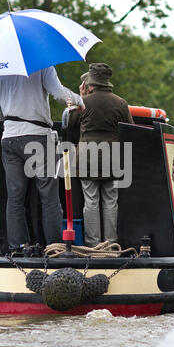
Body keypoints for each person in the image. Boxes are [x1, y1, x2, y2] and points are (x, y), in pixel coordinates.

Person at [0, 67, 84, 252]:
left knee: (15, 197)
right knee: (49, 196)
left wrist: (14, 119)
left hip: (9, 138)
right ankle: (54, 247)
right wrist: (80, 101)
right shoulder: (43, 65)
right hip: (38, 137)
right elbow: (59, 94)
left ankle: (18, 246)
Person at [70, 63, 134, 247]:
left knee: (90, 201)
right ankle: (111, 243)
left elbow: (70, 124)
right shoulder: (120, 103)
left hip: (87, 158)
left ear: (90, 84)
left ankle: (92, 245)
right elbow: (129, 128)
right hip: (112, 157)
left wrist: (80, 100)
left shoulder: (84, 103)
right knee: (111, 201)